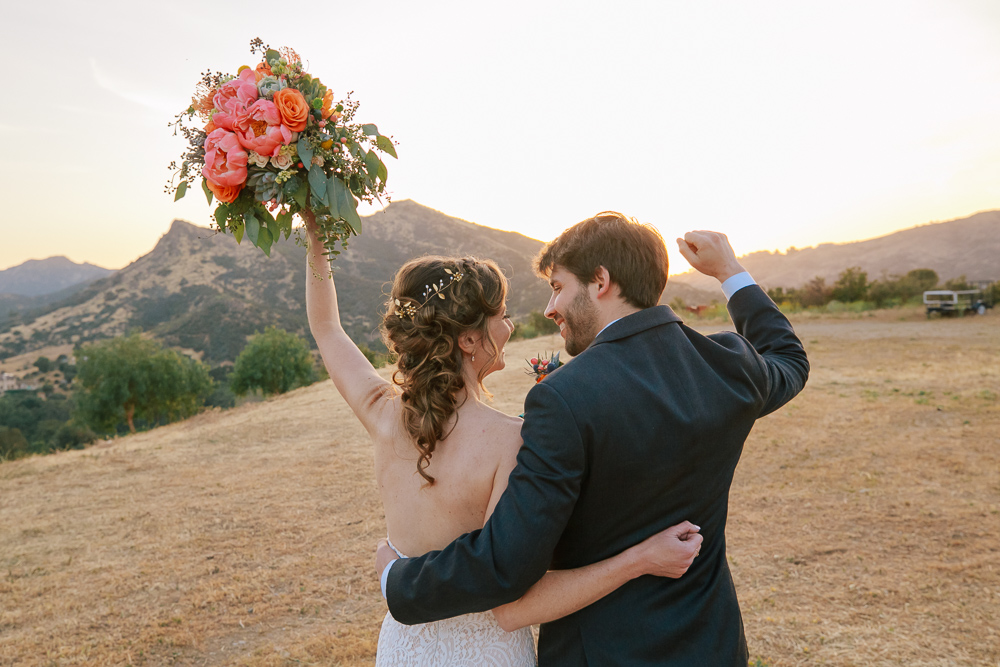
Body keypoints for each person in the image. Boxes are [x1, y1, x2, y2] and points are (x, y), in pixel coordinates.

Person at [378, 212, 810, 665]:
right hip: (710, 644)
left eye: (558, 286)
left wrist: (396, 578)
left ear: (601, 280)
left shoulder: (564, 399)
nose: (550, 307)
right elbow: (788, 359)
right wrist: (730, 272)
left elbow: (505, 563)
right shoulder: (728, 365)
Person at [301, 212, 704, 667]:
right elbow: (515, 603)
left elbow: (326, 328)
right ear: (470, 340)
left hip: (403, 647)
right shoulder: (511, 442)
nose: (510, 327)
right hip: (487, 652)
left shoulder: (382, 412)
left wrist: (317, 234)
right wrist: (640, 558)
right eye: (503, 317)